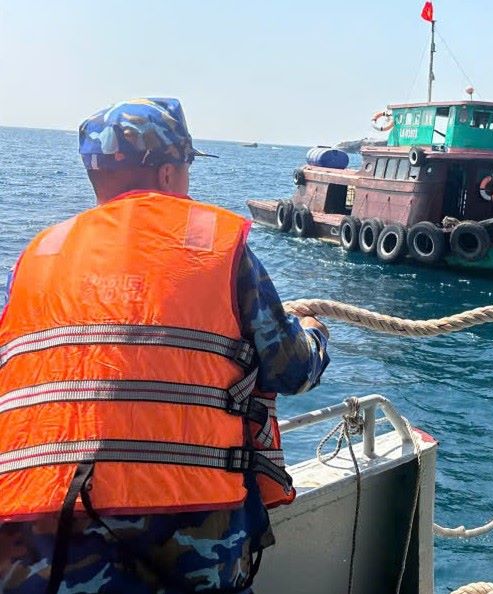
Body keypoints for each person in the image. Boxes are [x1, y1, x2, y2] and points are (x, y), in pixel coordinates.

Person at [0, 97, 331, 593]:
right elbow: (291, 369)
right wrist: (316, 333)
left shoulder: (36, 259)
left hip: (38, 531)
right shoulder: (214, 244)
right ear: (170, 172)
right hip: (188, 526)